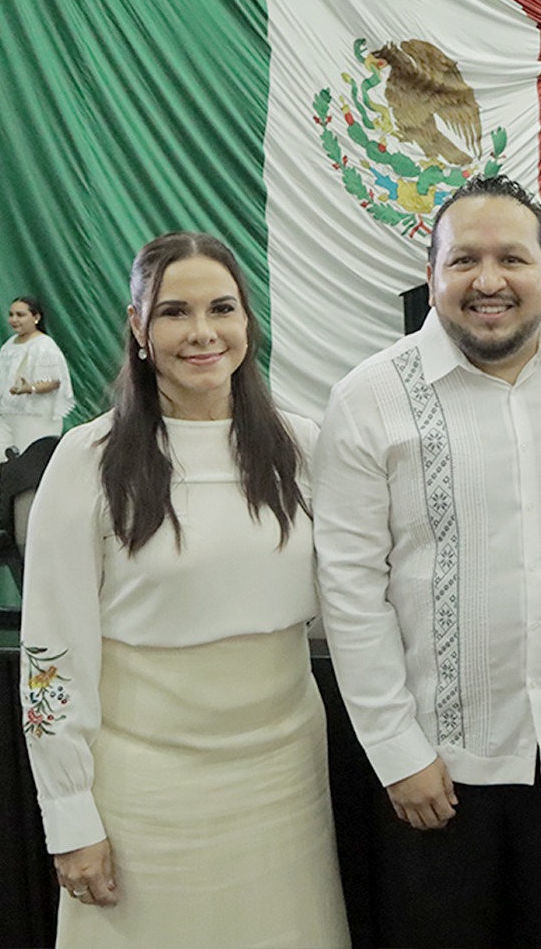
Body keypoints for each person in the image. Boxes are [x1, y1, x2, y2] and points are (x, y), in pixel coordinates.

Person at [313, 174, 541, 949]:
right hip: (438, 769)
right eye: (464, 260)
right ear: (431, 273)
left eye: (512, 259)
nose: (488, 280)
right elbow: (350, 589)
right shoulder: (369, 398)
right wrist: (397, 752)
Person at [19, 233, 348, 948]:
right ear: (138, 327)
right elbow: (51, 652)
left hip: (284, 775)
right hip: (146, 785)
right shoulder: (87, 460)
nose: (202, 333)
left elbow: (353, 600)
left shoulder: (302, 446)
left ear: (247, 321)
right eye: (175, 312)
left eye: (221, 308)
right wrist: (69, 816)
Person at [0, 295, 75, 498]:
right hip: (9, 417)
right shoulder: (9, 345)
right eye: (11, 315)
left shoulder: (44, 345)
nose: (14, 319)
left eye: (20, 315)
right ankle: (3, 508)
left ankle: (33, 512)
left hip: (35, 419)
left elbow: (55, 381)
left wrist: (29, 388)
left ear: (36, 317)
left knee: (32, 473)